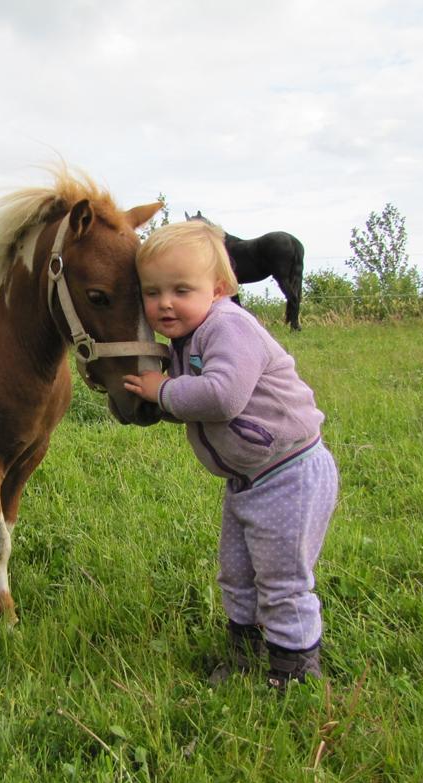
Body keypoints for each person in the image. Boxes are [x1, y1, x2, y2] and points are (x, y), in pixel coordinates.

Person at [123, 220, 338, 687]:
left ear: (218, 288)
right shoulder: (188, 338)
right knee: (237, 574)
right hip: (247, 480)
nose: (164, 303)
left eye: (181, 289)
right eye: (152, 291)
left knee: (282, 580)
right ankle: (246, 652)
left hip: (289, 472)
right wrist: (159, 396)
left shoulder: (229, 327)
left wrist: (164, 392)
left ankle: (294, 670)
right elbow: (196, 403)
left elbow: (221, 397)